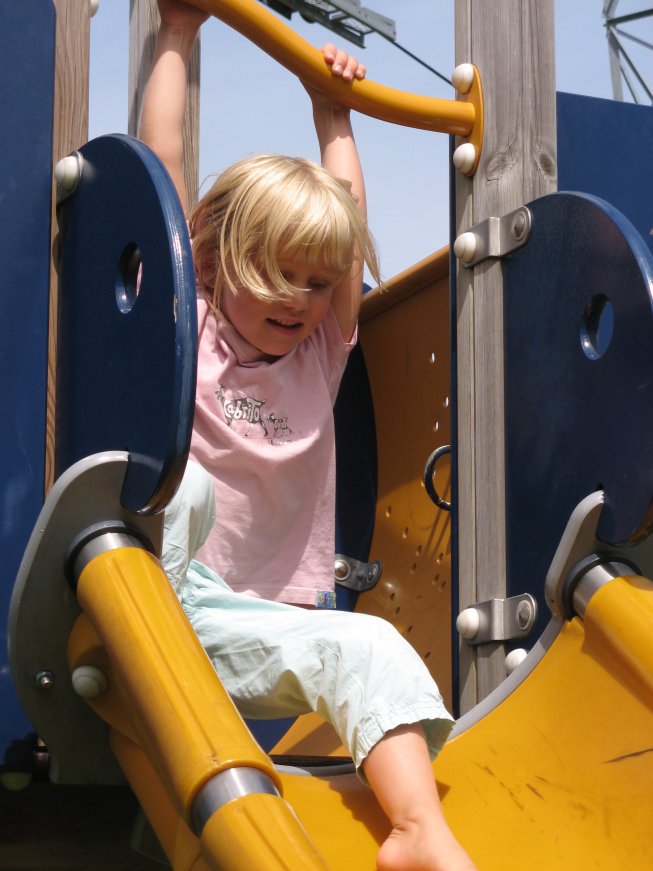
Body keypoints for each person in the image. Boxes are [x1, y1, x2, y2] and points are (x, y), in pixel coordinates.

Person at [141, 3, 477, 869]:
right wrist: (177, 35)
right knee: (190, 486)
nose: (297, 295)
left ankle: (415, 829)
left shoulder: (320, 352)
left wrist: (332, 110)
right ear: (214, 264)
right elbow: (161, 176)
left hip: (266, 617)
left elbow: (347, 223)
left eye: (316, 280)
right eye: (275, 273)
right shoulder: (194, 331)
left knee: (368, 645)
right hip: (167, 599)